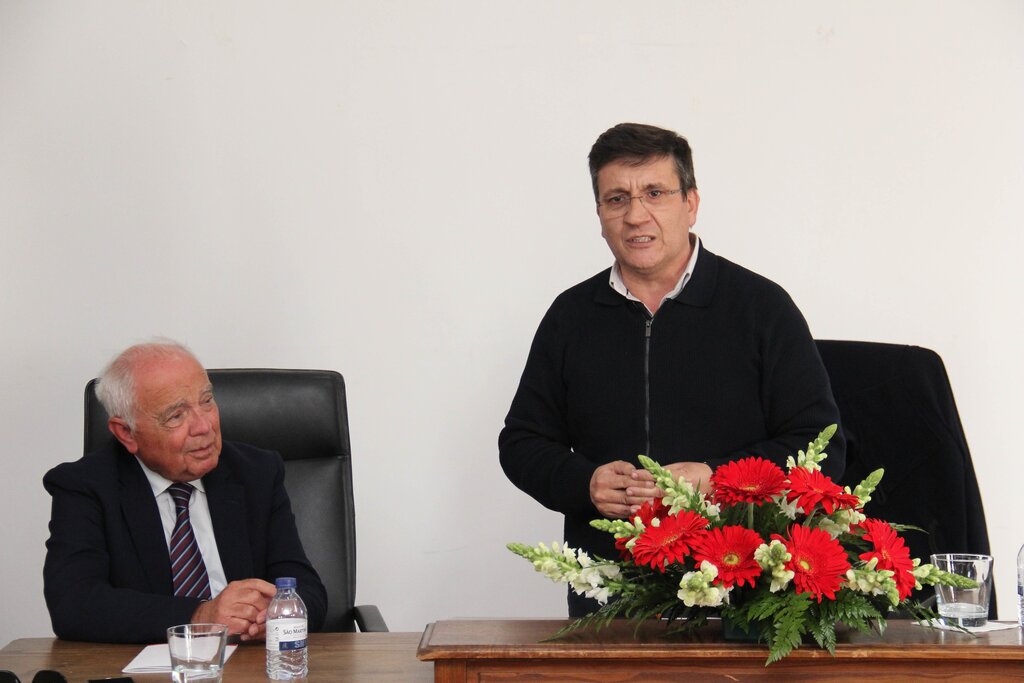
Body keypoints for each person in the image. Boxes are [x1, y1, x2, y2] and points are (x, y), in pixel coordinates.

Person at [499, 122, 845, 617]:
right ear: (599, 215)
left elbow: (824, 447)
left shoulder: (761, 308)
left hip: (746, 593)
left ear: (691, 203)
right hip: (611, 596)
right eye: (616, 198)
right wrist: (585, 482)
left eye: (654, 193)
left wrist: (716, 480)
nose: (636, 215)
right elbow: (521, 442)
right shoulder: (570, 316)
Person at [43, 341, 327, 643]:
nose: (204, 426)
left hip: (249, 664)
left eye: (206, 401)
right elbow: (73, 604)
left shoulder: (256, 472)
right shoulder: (85, 486)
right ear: (126, 432)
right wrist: (200, 616)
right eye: (176, 416)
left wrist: (272, 614)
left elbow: (307, 591)